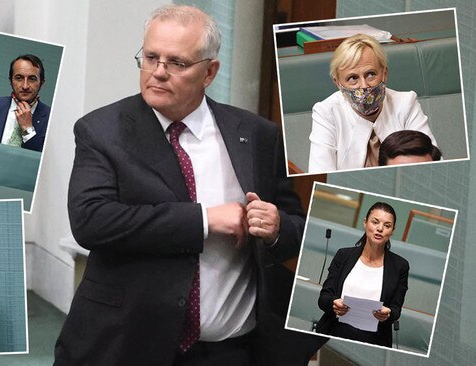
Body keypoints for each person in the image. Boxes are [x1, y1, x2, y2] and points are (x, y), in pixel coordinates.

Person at [55, 5, 323, 365]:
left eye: (177, 63)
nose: (158, 73)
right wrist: (204, 220)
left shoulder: (257, 135)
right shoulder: (102, 131)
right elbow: (92, 221)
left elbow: (297, 226)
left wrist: (275, 227)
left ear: (209, 71)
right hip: (128, 346)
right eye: (151, 57)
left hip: (231, 351)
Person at [308, 34, 437, 173]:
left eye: (371, 74)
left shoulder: (406, 103)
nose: (364, 86)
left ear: (385, 74)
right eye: (353, 78)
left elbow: (433, 163)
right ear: (338, 83)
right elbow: (320, 174)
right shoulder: (326, 112)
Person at [316, 202, 409, 347]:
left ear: (392, 231)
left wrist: (388, 313)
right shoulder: (343, 255)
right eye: (375, 222)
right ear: (365, 222)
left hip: (374, 340)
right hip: (334, 331)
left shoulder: (400, 266)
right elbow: (324, 298)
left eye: (387, 225)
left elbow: (396, 310)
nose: (380, 229)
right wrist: (334, 304)